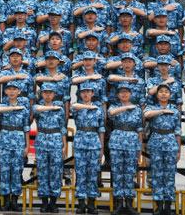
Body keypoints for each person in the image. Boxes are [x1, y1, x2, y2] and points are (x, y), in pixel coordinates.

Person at [143, 84, 181, 215]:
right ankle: (158, 205)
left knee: (169, 175)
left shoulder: (175, 110)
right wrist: (162, 111)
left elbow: (178, 131)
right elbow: (146, 115)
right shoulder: (152, 107)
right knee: (157, 175)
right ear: (157, 94)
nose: (164, 94)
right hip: (156, 143)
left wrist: (178, 150)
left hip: (170, 143)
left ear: (170, 95)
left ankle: (168, 205)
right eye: (161, 92)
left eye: (166, 92)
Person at [0, 81, 30, 212]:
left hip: (19, 141)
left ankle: (14, 200)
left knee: (16, 171)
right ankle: (6, 200)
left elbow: (26, 128)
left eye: (14, 89)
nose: (11, 91)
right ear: (5, 92)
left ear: (19, 92)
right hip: (4, 141)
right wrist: (12, 108)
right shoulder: (2, 106)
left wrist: (27, 146)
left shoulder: (24, 109)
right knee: (4, 171)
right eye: (9, 89)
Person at [108, 84, 143, 215]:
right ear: (118, 95)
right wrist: (126, 107)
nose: (124, 94)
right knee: (117, 173)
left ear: (131, 94)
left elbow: (140, 129)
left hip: (132, 142)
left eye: (127, 92)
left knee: (129, 173)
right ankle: (118, 203)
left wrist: (139, 147)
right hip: (117, 141)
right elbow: (111, 113)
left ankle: (128, 203)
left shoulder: (138, 109)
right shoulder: (114, 107)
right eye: (121, 92)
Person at [33, 82, 66, 213]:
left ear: (54, 94)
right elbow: (35, 111)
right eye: (45, 92)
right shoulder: (37, 107)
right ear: (42, 94)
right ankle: (44, 201)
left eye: (50, 92)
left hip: (56, 140)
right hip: (42, 139)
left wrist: (64, 145)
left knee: (55, 172)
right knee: (42, 171)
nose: (47, 95)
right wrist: (50, 108)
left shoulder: (60, 108)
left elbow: (62, 127)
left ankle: (53, 201)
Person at [72, 83, 105, 215]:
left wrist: (101, 147)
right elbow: (74, 106)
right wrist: (89, 106)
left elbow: (101, 129)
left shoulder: (98, 110)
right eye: (83, 92)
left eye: (88, 92)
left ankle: (91, 203)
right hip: (80, 141)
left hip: (94, 142)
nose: (85, 94)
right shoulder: (78, 107)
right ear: (80, 94)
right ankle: (80, 203)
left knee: (93, 173)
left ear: (93, 93)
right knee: (80, 173)